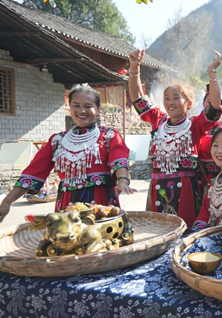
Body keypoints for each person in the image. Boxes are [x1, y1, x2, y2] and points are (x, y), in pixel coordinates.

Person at [0, 86, 135, 222]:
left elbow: (119, 160)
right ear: (69, 107)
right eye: (76, 105)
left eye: (88, 106)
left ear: (98, 108)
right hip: (67, 204)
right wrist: (7, 202)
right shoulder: (57, 140)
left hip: (101, 202)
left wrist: (122, 180)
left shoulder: (109, 136)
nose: (82, 111)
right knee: (67, 239)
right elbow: (34, 172)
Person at [128, 49, 222, 227]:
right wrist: (134, 67)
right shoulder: (158, 120)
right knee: (157, 232)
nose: (170, 102)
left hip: (186, 190)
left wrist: (212, 73)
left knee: (184, 233)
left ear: (188, 104)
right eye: (166, 98)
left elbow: (215, 107)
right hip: (157, 187)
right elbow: (137, 98)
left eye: (175, 98)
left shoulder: (195, 125)